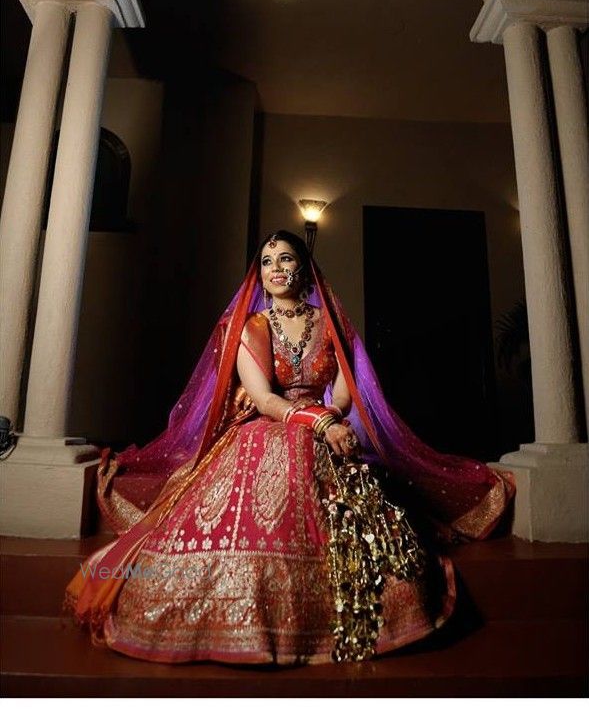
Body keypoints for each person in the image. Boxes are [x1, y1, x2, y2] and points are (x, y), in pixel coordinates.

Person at [63, 229, 515, 665]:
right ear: (257, 275)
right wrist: (319, 422)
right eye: (266, 262)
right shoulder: (249, 327)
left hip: (326, 427)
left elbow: (341, 391)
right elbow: (261, 399)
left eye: (285, 259)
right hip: (267, 426)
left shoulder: (331, 322)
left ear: (304, 268)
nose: (275, 269)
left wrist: (331, 419)